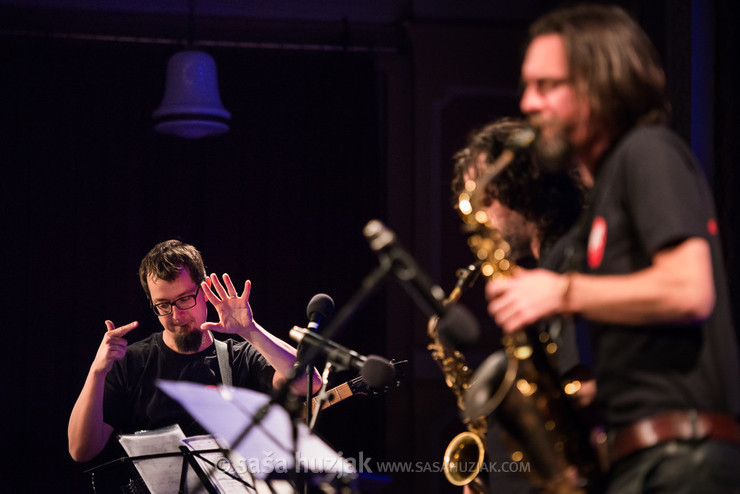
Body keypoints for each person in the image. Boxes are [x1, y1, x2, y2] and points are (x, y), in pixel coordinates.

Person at [485, 5, 740, 494]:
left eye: (547, 85)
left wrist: (562, 293)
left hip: (679, 465)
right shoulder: (606, 189)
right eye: (527, 86)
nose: (528, 102)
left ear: (599, 85)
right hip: (642, 461)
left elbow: (690, 290)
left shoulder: (647, 152)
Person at [68, 239, 321, 468]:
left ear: (205, 292)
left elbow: (309, 383)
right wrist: (97, 371)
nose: (176, 316)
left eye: (185, 298)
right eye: (163, 305)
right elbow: (82, 450)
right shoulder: (130, 362)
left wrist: (250, 331)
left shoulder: (238, 357)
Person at [451, 117, 593, 494]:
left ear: (524, 187)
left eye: (489, 195)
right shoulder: (547, 269)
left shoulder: (575, 261)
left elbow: (584, 383)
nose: (483, 213)